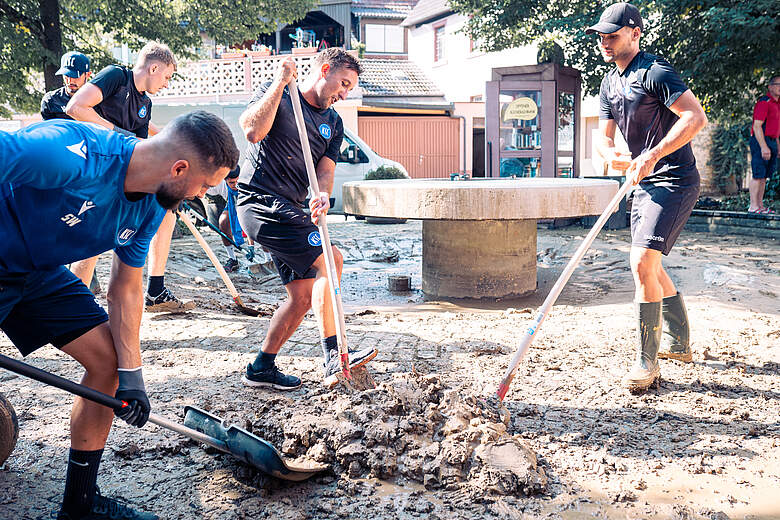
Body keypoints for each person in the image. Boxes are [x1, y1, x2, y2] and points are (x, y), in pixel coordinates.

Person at [0, 111, 239, 520]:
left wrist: (133, 375)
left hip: (36, 273)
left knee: (108, 361)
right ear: (179, 168)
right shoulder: (71, 154)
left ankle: (79, 505)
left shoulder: (150, 209)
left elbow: (125, 288)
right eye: (203, 185)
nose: (200, 195)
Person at [236, 48, 377, 390]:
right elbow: (252, 131)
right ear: (324, 70)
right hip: (259, 200)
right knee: (332, 258)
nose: (344, 93)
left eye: (349, 88)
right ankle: (334, 355)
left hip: (291, 207)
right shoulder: (281, 95)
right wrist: (281, 81)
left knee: (301, 297)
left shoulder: (334, 122)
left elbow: (325, 170)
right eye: (342, 83)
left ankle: (261, 366)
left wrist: (324, 194)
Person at [587, 3, 708, 392]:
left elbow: (695, 117)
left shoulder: (655, 72)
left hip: (674, 179)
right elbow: (604, 138)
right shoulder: (610, 82)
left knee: (641, 263)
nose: (605, 41)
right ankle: (680, 342)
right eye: (601, 36)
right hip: (642, 180)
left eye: (613, 34)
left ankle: (647, 362)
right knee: (648, 266)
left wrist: (651, 154)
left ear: (635, 33)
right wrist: (610, 155)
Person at [65, 41, 193, 312]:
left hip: (119, 173)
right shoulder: (116, 76)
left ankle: (155, 290)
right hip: (92, 167)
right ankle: (71, 305)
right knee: (92, 243)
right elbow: (76, 108)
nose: (167, 84)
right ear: (154, 67)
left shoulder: (144, 102)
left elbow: (141, 145)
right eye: (167, 77)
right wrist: (118, 134)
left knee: (167, 210)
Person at [747, 76, 780, 214]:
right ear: (770, 87)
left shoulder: (777, 104)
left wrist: (777, 146)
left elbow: (776, 128)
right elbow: (757, 126)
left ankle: (760, 206)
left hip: (772, 140)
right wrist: (764, 147)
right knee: (758, 174)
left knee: (764, 176)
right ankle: (753, 206)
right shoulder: (764, 102)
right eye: (778, 84)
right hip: (760, 140)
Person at [41, 51, 92, 120]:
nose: (70, 81)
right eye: (66, 75)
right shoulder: (51, 100)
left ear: (88, 74)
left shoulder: (99, 101)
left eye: (75, 76)